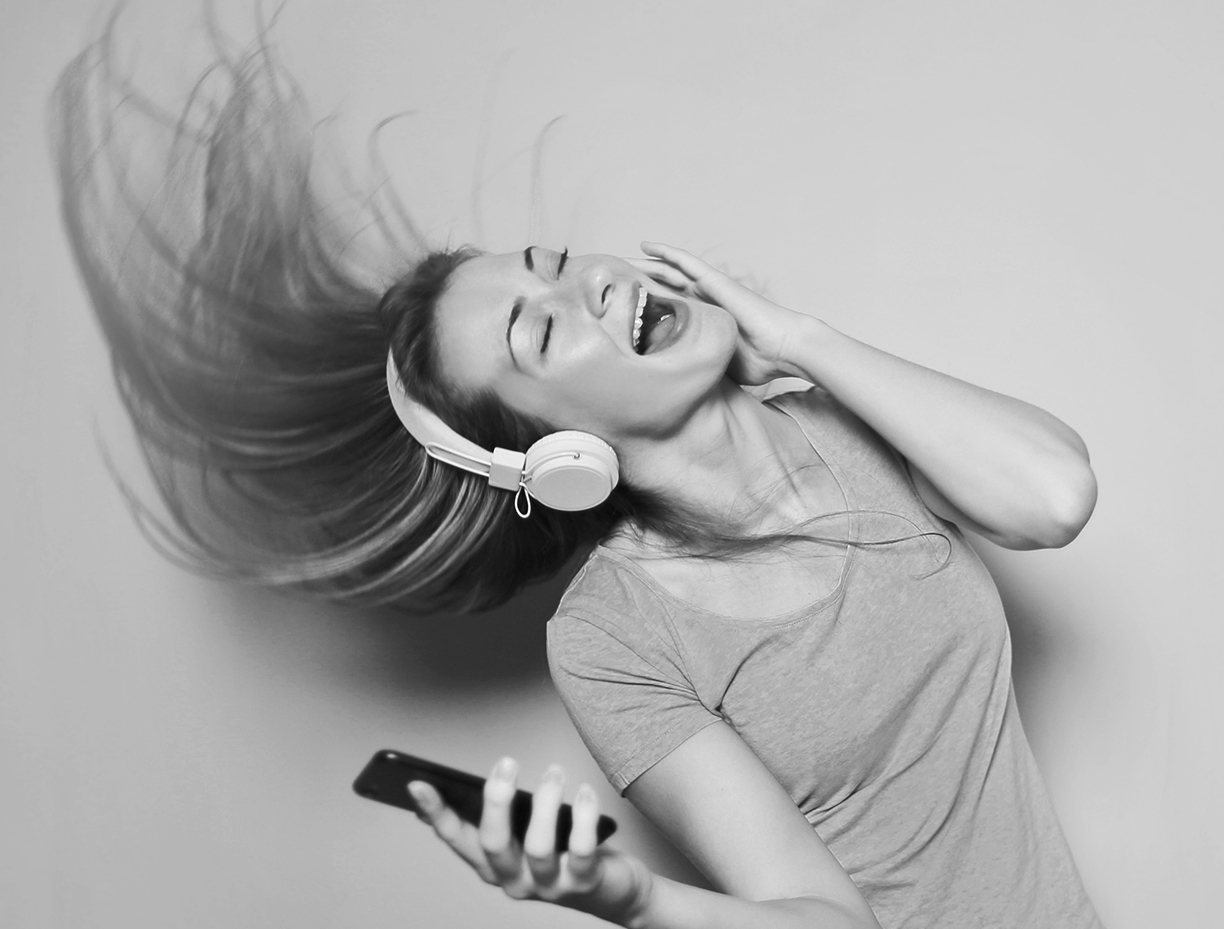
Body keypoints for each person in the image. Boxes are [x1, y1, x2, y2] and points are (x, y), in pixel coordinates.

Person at [52, 21, 1102, 929]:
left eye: (554, 265)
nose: (588, 286)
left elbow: (1052, 497)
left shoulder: (841, 418)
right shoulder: (612, 639)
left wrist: (801, 338)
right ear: (558, 456)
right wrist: (628, 895)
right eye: (541, 334)